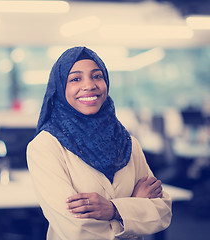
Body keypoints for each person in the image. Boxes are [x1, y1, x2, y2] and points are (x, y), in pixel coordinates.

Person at [26, 46, 172, 240]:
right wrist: (132, 210)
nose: (89, 85)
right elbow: (76, 231)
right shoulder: (45, 146)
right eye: (75, 79)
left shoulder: (127, 142)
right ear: (60, 87)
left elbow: (162, 211)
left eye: (97, 76)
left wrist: (113, 210)